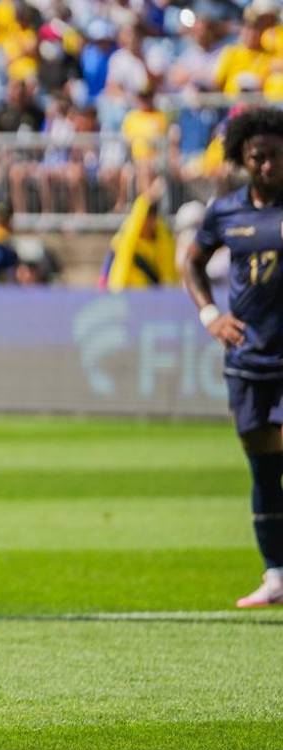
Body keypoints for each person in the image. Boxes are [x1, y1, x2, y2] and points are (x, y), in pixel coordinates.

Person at [182, 107, 283, 608]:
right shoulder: (226, 212)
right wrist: (209, 316)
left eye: (274, 156)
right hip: (247, 359)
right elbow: (192, 262)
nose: (266, 165)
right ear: (243, 159)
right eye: (257, 157)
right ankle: (276, 576)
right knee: (264, 469)